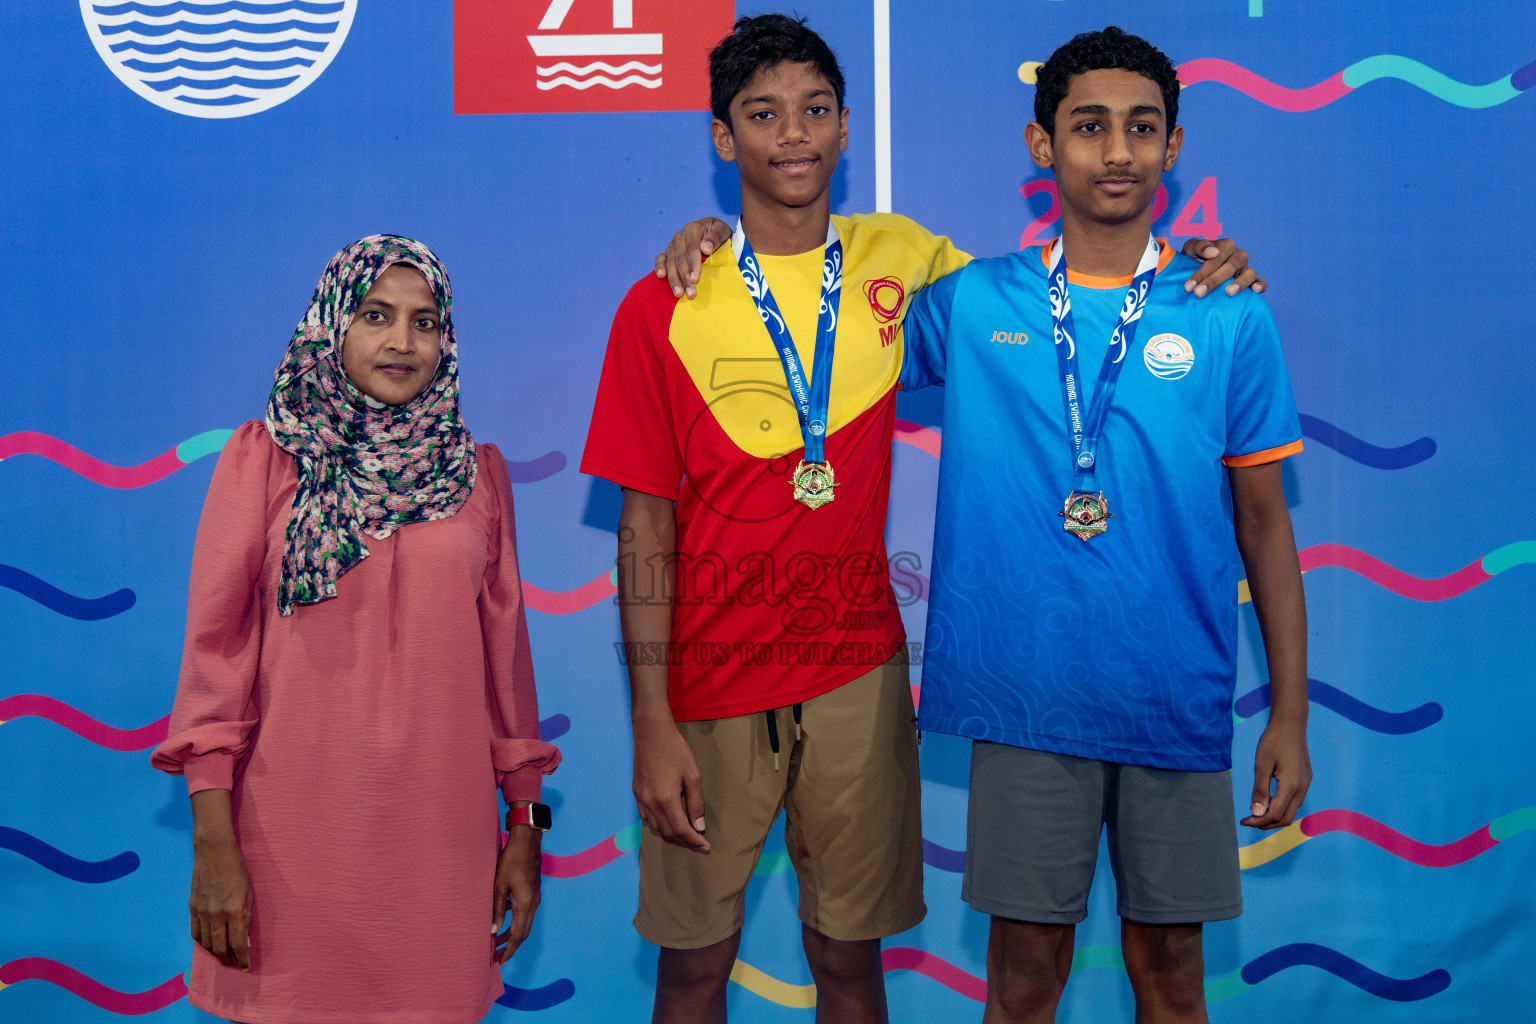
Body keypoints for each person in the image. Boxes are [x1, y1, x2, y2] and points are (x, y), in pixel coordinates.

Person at [592, 15, 1264, 1024]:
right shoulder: (666, 298)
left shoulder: (903, 265)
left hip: (859, 675)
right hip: (709, 677)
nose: (793, 134)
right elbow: (643, 530)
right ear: (723, 137)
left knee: (852, 963)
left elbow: (1068, 295)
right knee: (692, 966)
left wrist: (1200, 263)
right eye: (763, 114)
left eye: (816, 110)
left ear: (849, 127)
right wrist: (650, 718)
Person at [898, 28, 1311, 1023]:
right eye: (1089, 126)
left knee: (1172, 971)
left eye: (1141, 128)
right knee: (1025, 973)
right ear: (1044, 146)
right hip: (1026, 693)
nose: (1116, 150)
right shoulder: (969, 301)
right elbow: (816, 319)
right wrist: (710, 240)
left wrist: (1290, 715)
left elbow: (1266, 527)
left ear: (1174, 147)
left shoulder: (1228, 313)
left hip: (1171, 691)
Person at [151, 235, 561, 1024]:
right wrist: (212, 843)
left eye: (425, 321)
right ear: (332, 324)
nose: (402, 342)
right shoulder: (265, 459)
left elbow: (508, 678)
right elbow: (215, 659)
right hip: (289, 842)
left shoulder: (478, 476)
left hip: (443, 844)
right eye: (376, 316)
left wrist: (525, 825)